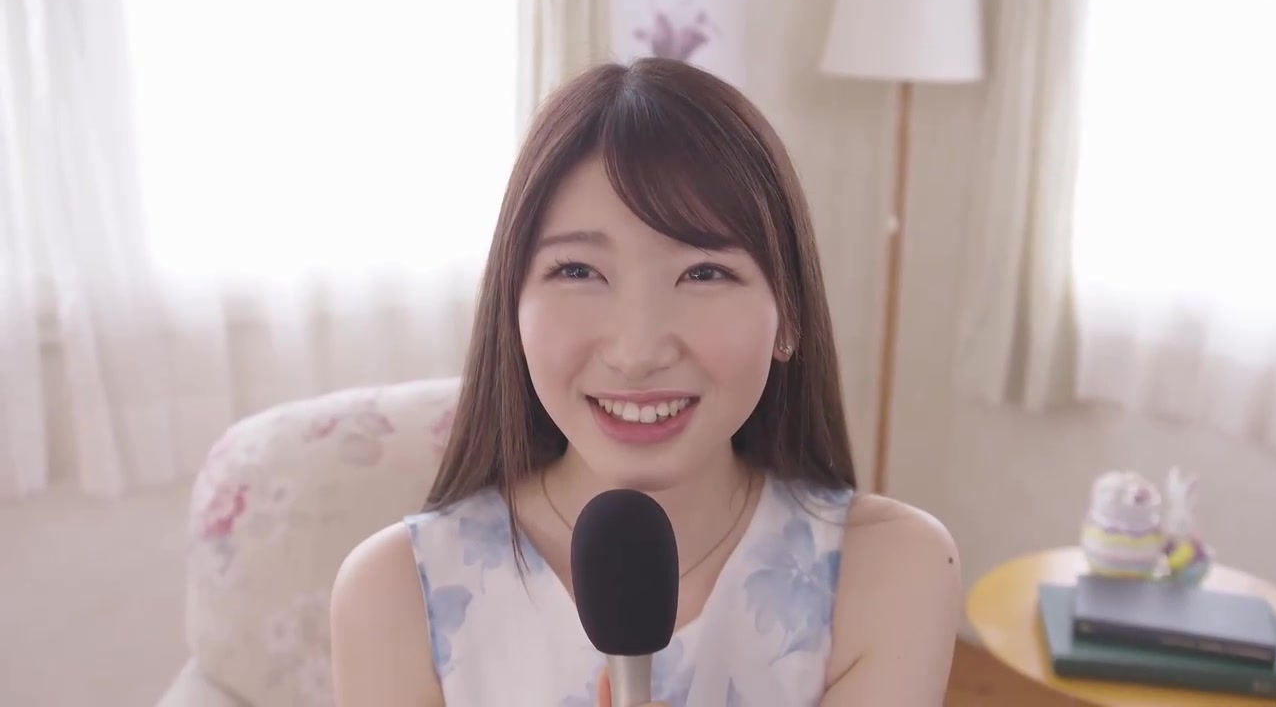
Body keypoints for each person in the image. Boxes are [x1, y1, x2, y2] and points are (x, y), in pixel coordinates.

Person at [330, 57, 961, 707]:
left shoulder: (890, 568)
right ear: (510, 309)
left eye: (704, 273)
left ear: (789, 317)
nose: (637, 353)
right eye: (578, 271)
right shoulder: (397, 594)